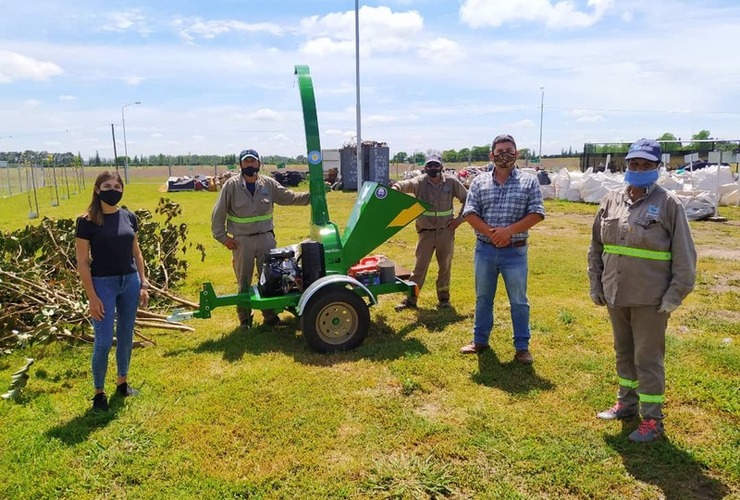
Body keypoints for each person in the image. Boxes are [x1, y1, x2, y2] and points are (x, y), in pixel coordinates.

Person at [588, 138, 696, 443]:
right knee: (623, 351)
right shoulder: (611, 200)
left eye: (646, 165)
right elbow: (597, 246)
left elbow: (685, 257)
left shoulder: (668, 204)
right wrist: (596, 283)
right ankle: (627, 402)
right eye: (634, 164)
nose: (638, 169)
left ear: (657, 168)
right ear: (626, 165)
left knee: (647, 358)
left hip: (651, 299)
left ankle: (652, 418)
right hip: (615, 293)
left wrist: (674, 296)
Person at [460, 134, 545, 364]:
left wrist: (508, 231)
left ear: (516, 154)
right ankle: (480, 341)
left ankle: (522, 347)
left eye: (509, 151)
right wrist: (492, 233)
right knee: (483, 297)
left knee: (518, 301)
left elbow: (537, 212)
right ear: (492, 155)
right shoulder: (479, 182)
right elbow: (469, 213)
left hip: (515, 252)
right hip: (485, 249)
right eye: (500, 152)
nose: (504, 155)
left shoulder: (529, 181)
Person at [75, 171, 149, 412]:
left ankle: (122, 382)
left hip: (130, 281)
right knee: (104, 341)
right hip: (103, 284)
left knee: (126, 337)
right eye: (107, 185)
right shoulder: (86, 221)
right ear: (97, 190)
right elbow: (83, 262)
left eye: (117, 185)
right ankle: (99, 392)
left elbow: (136, 253)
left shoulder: (129, 217)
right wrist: (92, 297)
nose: (113, 189)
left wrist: (144, 283)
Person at [211, 149, 310, 328]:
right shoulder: (231, 186)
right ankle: (245, 319)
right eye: (246, 161)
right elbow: (218, 214)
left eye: (253, 161)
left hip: (266, 239)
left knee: (270, 278)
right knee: (243, 281)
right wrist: (224, 238)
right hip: (242, 242)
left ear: (259, 163)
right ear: (241, 164)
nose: (250, 165)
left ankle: (270, 317)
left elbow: (289, 197)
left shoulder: (268, 184)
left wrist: (314, 196)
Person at [391, 154, 468, 310]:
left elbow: (468, 198)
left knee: (445, 266)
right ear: (425, 167)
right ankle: (411, 300)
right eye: (430, 165)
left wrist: (459, 220)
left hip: (445, 232)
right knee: (419, 267)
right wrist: (395, 188)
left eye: (436, 165)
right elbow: (405, 184)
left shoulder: (451, 182)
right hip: (425, 233)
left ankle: (444, 299)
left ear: (441, 166)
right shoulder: (419, 182)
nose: (433, 168)